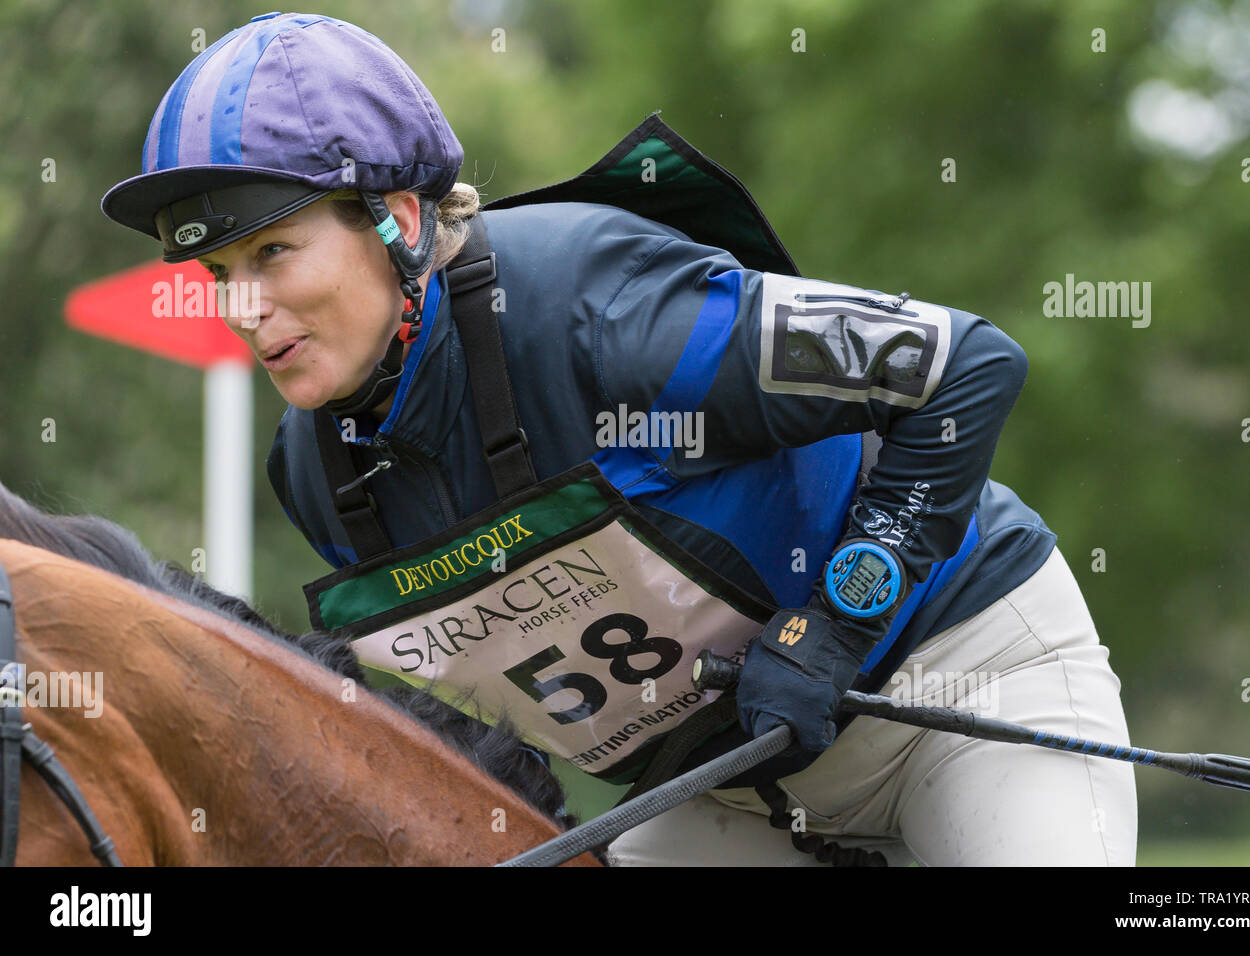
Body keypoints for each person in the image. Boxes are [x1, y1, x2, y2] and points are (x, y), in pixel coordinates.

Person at [101, 12, 1137, 866]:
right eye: (219, 273)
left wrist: (834, 620)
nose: (243, 306)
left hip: (958, 686)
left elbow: (963, 367)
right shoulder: (317, 476)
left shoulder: (596, 304)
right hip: (728, 797)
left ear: (401, 219)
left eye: (275, 251)